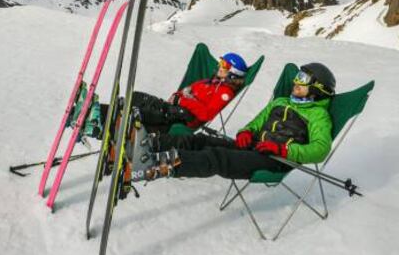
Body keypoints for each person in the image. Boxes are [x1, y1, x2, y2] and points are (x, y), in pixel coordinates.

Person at [137, 62, 336, 181]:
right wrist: (246, 132)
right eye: (297, 77)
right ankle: (147, 145)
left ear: (317, 88)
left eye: (303, 79)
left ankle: (158, 165)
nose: (296, 82)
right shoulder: (281, 101)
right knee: (201, 141)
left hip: (276, 160)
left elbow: (320, 150)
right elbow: (256, 123)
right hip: (255, 147)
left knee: (217, 157)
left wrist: (283, 150)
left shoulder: (318, 115)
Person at [99, 52, 248, 136]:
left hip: (184, 118)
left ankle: (99, 116)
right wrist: (177, 97)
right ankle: (101, 111)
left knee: (141, 112)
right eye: (221, 62)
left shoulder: (225, 92)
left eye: (224, 65)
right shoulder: (208, 82)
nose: (219, 66)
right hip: (175, 108)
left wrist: (183, 101)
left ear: (233, 72)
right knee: (138, 97)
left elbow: (206, 114)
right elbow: (184, 91)